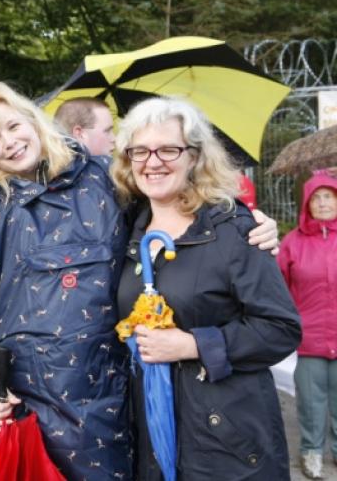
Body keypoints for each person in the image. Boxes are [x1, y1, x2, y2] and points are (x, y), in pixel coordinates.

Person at [111, 96, 301, 480]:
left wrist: (194, 345)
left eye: (168, 149)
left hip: (227, 444)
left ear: (194, 157)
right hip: (154, 436)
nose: (153, 161)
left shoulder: (233, 230)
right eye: (140, 151)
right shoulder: (126, 232)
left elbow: (281, 329)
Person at [0, 82, 131, 479]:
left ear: (34, 122)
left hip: (108, 387)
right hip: (28, 394)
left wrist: (245, 224)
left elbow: (173, 211)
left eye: (13, 126)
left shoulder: (105, 177)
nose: (9, 142)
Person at [278, 173, 337, 480]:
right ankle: (311, 454)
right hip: (310, 336)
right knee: (311, 404)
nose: (323, 202)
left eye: (329, 196)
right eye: (317, 197)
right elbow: (280, 288)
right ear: (307, 204)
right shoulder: (293, 243)